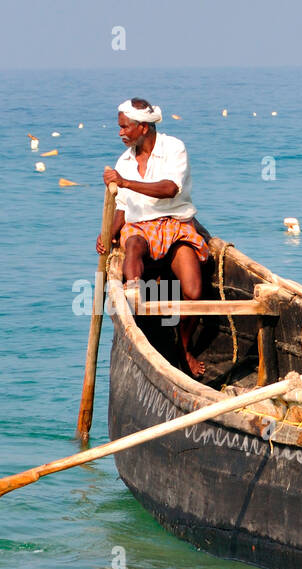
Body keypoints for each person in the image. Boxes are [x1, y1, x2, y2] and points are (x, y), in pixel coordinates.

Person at [97, 98, 209, 376]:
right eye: (120, 127)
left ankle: (182, 348)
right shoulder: (124, 161)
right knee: (132, 244)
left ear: (143, 127)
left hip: (175, 223)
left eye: (125, 127)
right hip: (140, 228)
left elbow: (170, 188)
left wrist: (125, 182)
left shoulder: (174, 148)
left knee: (194, 293)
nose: (120, 133)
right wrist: (107, 233)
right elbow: (122, 208)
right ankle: (134, 296)